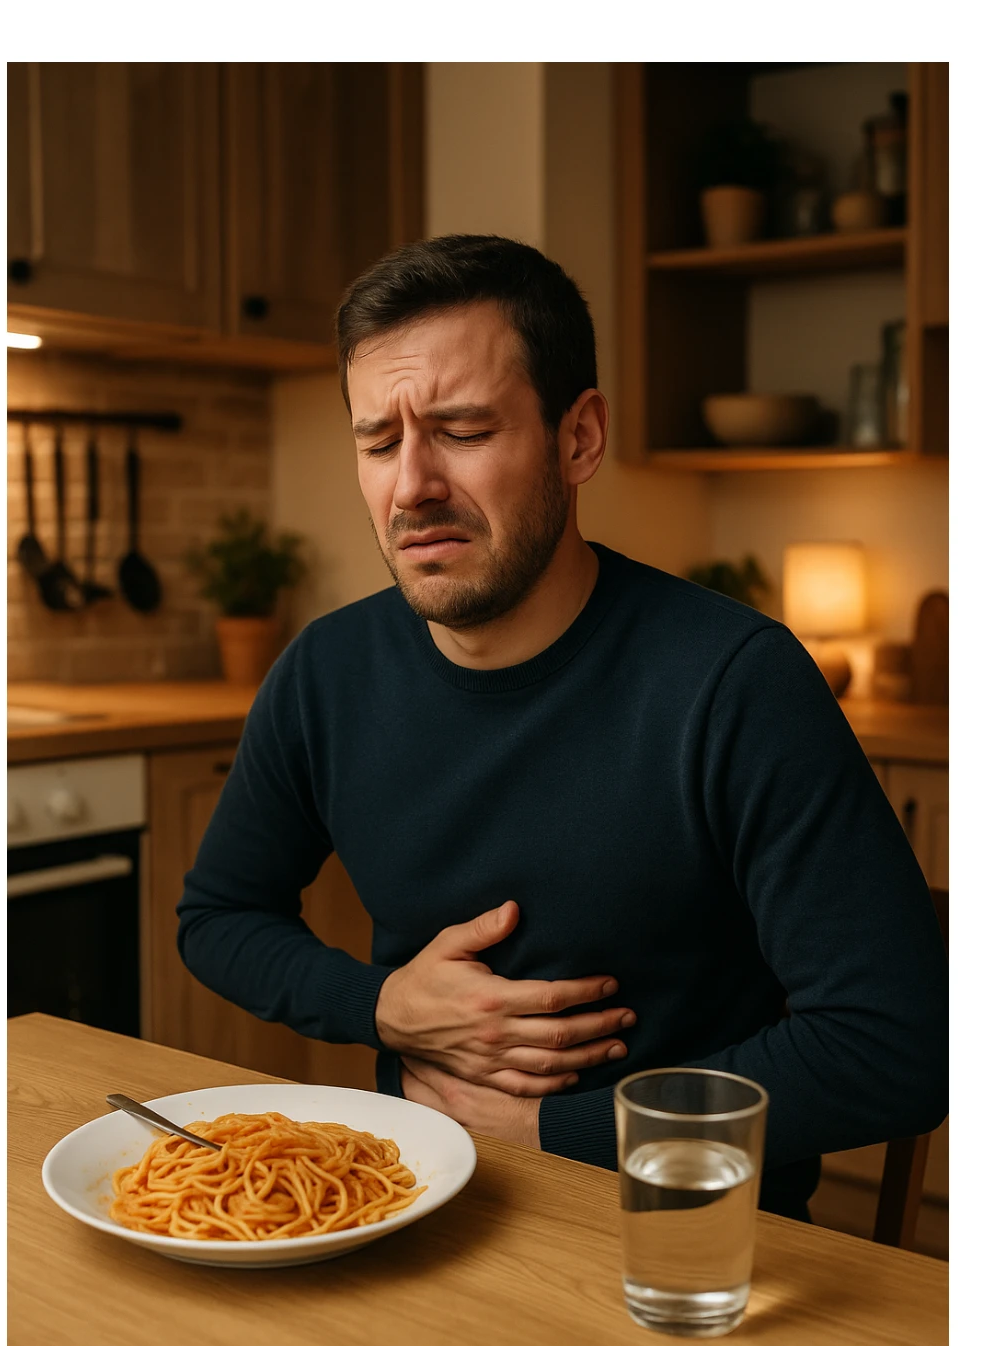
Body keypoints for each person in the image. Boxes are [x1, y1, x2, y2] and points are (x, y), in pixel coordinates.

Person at [177, 233, 947, 1221]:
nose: (411, 484)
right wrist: (379, 1005)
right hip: (406, 1208)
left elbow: (899, 1046)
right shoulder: (325, 672)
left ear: (578, 439)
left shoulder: (733, 683)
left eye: (460, 429)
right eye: (379, 441)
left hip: (680, 1243)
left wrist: (556, 1136)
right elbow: (218, 919)